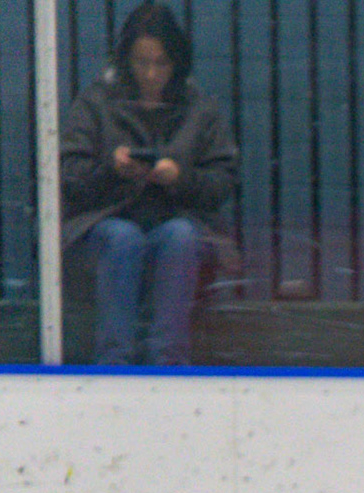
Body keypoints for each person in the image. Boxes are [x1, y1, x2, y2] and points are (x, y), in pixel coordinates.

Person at [60, 2, 237, 364]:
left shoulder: (200, 109)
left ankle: (168, 361)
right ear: (127, 60)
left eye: (162, 63)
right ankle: (114, 362)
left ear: (177, 64)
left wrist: (180, 178)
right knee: (122, 238)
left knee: (180, 237)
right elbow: (67, 177)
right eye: (142, 62)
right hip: (100, 226)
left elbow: (222, 181)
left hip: (176, 223)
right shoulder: (96, 102)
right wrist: (110, 169)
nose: (152, 74)